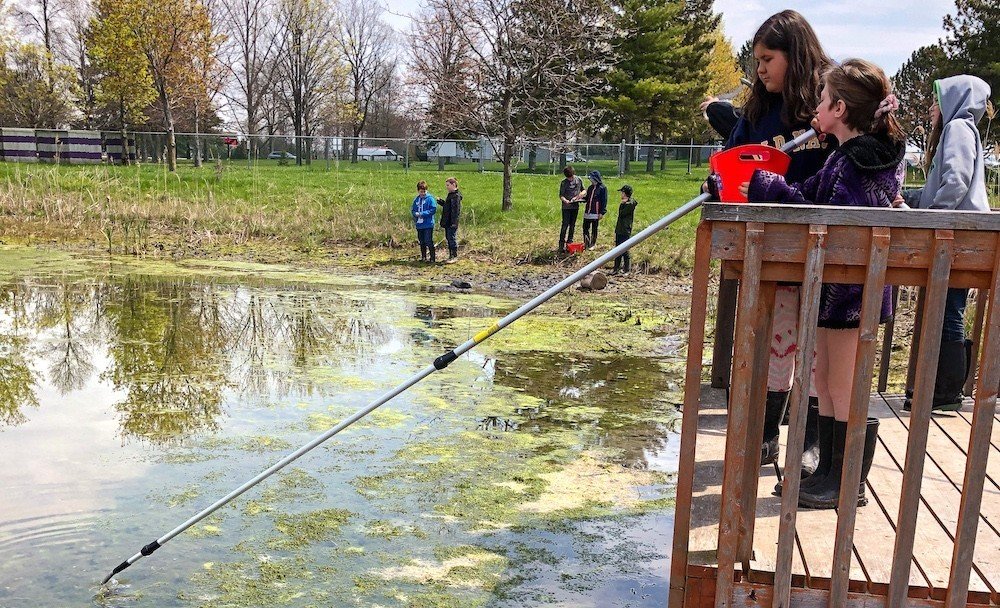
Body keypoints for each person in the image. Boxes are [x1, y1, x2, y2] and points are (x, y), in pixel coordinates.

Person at [744, 58, 906, 509]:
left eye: (821, 98)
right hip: (839, 292)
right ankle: (831, 473)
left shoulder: (860, 163)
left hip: (853, 293)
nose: (815, 105)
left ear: (838, 108)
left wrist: (764, 184)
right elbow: (809, 194)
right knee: (829, 378)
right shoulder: (845, 158)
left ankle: (848, 480)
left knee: (845, 383)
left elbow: (817, 207)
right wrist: (762, 183)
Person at [717, 10, 834, 474]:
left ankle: (810, 443)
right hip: (769, 248)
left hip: (823, 246)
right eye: (756, 59)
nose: (760, 68)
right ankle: (765, 435)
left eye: (768, 59)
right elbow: (732, 161)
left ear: (795, 55)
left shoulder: (828, 101)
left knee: (816, 348)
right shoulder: (757, 111)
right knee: (774, 342)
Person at [901, 75, 992, 412]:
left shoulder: (957, 130)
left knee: (949, 311)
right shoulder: (964, 130)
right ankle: (942, 389)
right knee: (948, 309)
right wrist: (913, 199)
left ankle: (946, 392)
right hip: (962, 234)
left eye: (937, 99)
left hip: (957, 236)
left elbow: (955, 181)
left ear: (954, 100)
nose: (931, 107)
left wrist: (934, 216)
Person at [612, 184, 637, 274]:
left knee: (625, 250)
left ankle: (627, 269)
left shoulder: (630, 204)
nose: (621, 194)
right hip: (620, 229)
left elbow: (622, 214)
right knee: (617, 250)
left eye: (622, 192)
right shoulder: (625, 203)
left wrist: (622, 205)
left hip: (625, 230)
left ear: (625, 193)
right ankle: (616, 269)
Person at [559, 166, 585, 252]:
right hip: (566, 208)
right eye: (568, 178)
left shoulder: (579, 180)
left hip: (575, 207)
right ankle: (561, 244)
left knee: (572, 225)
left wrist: (579, 196)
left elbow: (584, 191)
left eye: (571, 177)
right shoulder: (563, 183)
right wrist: (565, 200)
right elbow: (561, 195)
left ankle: (570, 243)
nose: (570, 180)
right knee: (565, 225)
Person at [412, 180, 437, 263]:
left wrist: (422, 214)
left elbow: (433, 210)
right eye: (421, 192)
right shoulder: (416, 200)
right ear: (418, 191)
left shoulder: (430, 199)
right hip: (419, 225)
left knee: (428, 240)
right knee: (421, 241)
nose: (422, 193)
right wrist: (415, 214)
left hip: (428, 224)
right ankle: (423, 257)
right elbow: (413, 210)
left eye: (424, 191)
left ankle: (432, 258)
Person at [581, 170, 607, 249]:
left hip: (596, 212)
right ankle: (587, 243)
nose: (591, 180)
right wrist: (580, 199)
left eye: (592, 178)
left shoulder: (602, 188)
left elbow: (604, 201)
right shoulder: (590, 187)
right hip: (588, 212)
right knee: (585, 228)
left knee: (594, 229)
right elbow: (587, 198)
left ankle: (592, 244)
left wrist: (602, 212)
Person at [441, 177, 462, 262]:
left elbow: (455, 210)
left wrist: (454, 222)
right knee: (448, 238)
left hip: (452, 222)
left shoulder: (456, 196)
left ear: (454, 185)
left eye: (448, 185)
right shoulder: (450, 195)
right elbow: (448, 207)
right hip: (447, 221)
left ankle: (454, 256)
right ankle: (450, 255)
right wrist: (442, 202)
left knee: (452, 238)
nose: (447, 187)